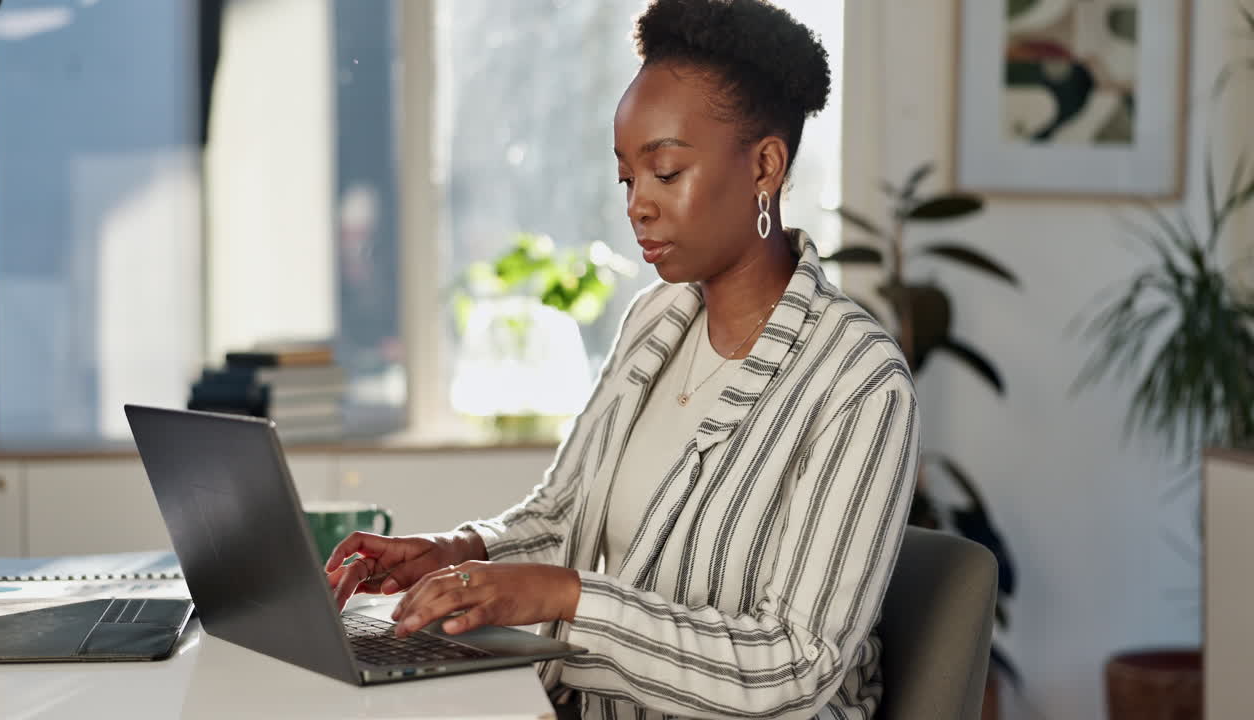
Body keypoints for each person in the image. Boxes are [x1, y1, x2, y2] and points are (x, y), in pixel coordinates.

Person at [324, 1, 919, 718]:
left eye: (665, 172)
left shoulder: (859, 381)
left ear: (766, 165)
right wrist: (461, 552)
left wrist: (570, 596)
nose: (637, 205)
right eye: (626, 179)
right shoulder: (655, 322)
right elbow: (564, 512)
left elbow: (795, 667)